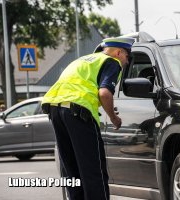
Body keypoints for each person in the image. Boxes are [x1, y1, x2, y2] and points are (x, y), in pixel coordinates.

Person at [41, 36, 135, 200]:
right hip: (78, 112)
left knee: (72, 172)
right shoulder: (112, 62)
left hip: (54, 109)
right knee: (93, 172)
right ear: (119, 52)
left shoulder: (82, 60)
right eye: (127, 57)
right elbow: (104, 93)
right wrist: (114, 118)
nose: (126, 62)